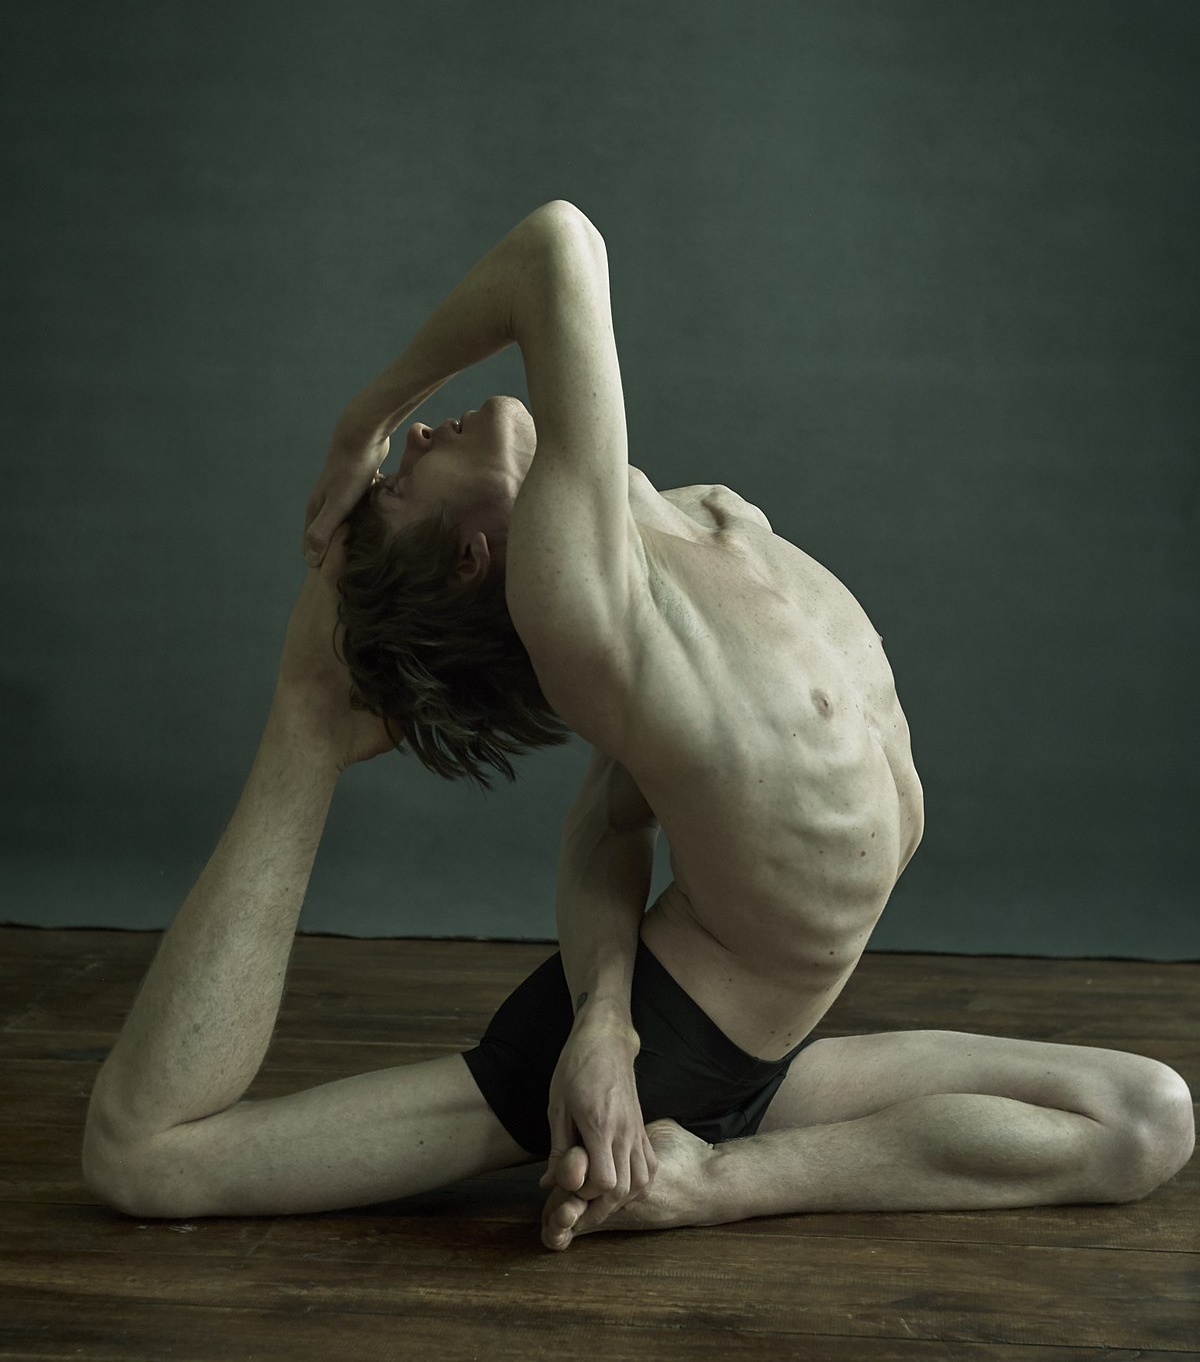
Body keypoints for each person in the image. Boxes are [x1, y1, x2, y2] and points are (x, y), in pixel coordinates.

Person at [83, 202, 1194, 1250]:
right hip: (686, 1034)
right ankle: (304, 728)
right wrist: (357, 420)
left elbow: (608, 821)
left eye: (393, 452)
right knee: (150, 1159)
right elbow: (557, 247)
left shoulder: (681, 520)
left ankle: (706, 1172)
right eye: (401, 479)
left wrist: (602, 1017)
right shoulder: (570, 592)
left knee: (1151, 1114)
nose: (412, 439)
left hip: (726, 1040)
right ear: (474, 556)